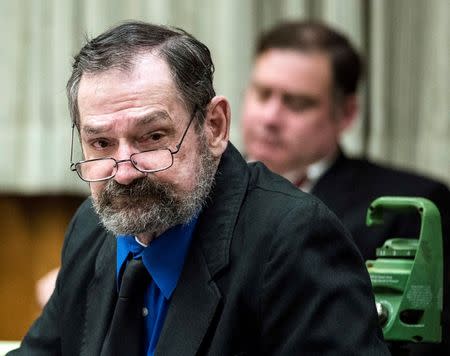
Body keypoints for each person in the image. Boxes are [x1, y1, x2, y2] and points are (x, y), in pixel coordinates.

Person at [9, 21, 389, 355]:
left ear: (214, 127)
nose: (123, 173)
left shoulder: (292, 239)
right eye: (101, 144)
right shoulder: (91, 226)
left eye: (153, 137)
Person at [241, 20, 450, 354]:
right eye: (263, 93)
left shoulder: (408, 206)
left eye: (296, 103)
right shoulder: (197, 190)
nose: (269, 117)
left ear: (347, 113)